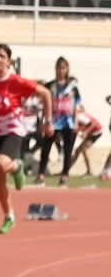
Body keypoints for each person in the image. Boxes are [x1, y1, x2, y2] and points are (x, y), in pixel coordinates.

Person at [0, 43, 53, 234]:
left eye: (2, 56)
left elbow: (46, 93)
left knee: (1, 164)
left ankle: (17, 166)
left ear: (9, 61)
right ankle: (9, 216)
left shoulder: (16, 82)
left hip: (13, 129)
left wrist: (48, 121)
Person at [38, 57, 80, 187]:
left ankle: (64, 175)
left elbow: (76, 104)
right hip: (53, 121)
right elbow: (44, 104)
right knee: (46, 147)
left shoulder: (72, 87)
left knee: (68, 150)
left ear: (67, 69)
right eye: (58, 68)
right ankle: (41, 174)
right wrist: (43, 121)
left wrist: (76, 121)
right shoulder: (50, 86)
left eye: (63, 68)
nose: (60, 71)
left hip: (68, 121)